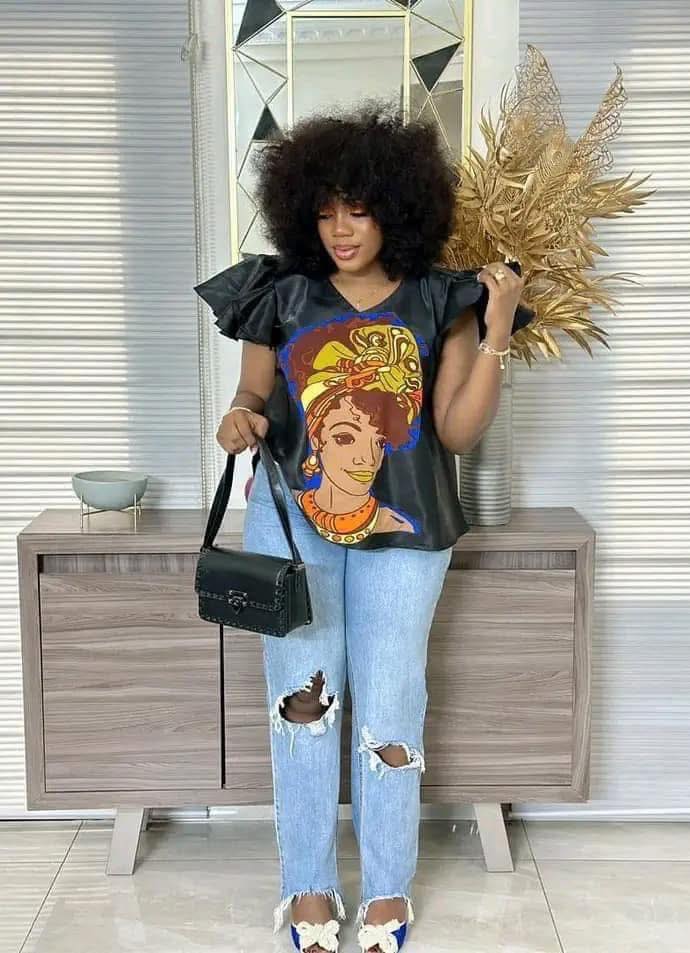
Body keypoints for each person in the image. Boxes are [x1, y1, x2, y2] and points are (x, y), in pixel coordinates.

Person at [194, 99, 532, 953]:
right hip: (292, 525)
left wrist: (496, 334)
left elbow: (455, 431)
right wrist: (238, 418)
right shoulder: (278, 292)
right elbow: (250, 394)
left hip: (408, 529)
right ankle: (307, 885)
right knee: (303, 704)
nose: (341, 229)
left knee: (391, 702)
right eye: (324, 212)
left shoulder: (441, 299)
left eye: (358, 209)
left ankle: (387, 889)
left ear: (396, 208)